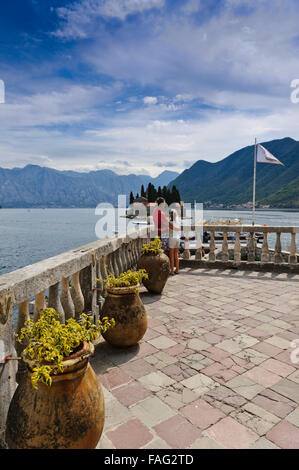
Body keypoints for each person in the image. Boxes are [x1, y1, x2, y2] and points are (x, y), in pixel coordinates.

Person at [169, 208, 181, 275]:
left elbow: (173, 229)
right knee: (176, 255)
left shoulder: (170, 222)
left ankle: (172, 271)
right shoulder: (178, 222)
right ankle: (177, 270)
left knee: (172, 256)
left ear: (171, 215)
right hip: (177, 239)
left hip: (172, 239)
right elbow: (178, 229)